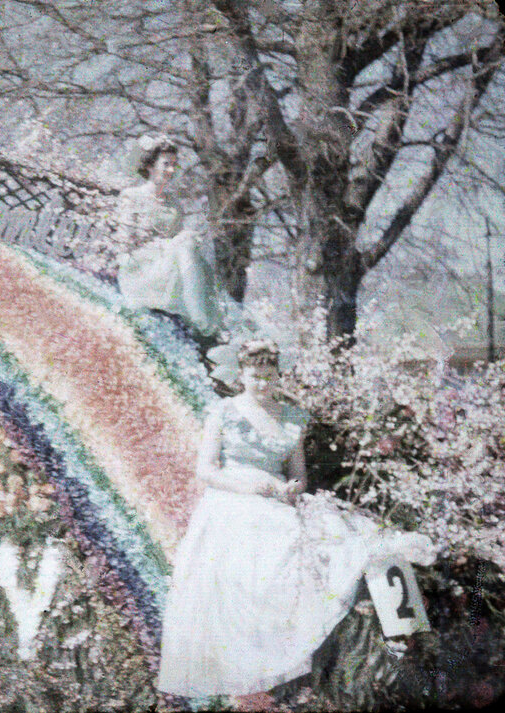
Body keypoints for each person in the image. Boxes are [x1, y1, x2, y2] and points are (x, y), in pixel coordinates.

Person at [157, 339, 434, 698]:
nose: (262, 384)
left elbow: (299, 476)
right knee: (260, 565)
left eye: (269, 376)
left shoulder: (290, 417)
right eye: (255, 376)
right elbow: (206, 471)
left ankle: (402, 645)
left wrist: (290, 489)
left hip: (279, 499)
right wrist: (249, 487)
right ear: (242, 375)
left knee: (344, 544)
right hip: (231, 500)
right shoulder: (224, 412)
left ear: (278, 376)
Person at [115, 136, 222, 340]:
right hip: (141, 269)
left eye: (174, 165)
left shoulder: (174, 204)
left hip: (169, 268)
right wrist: (163, 245)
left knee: (189, 243)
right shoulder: (132, 196)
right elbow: (125, 242)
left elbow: (178, 248)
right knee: (185, 243)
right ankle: (200, 317)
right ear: (149, 166)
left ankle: (200, 315)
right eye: (166, 164)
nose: (171, 171)